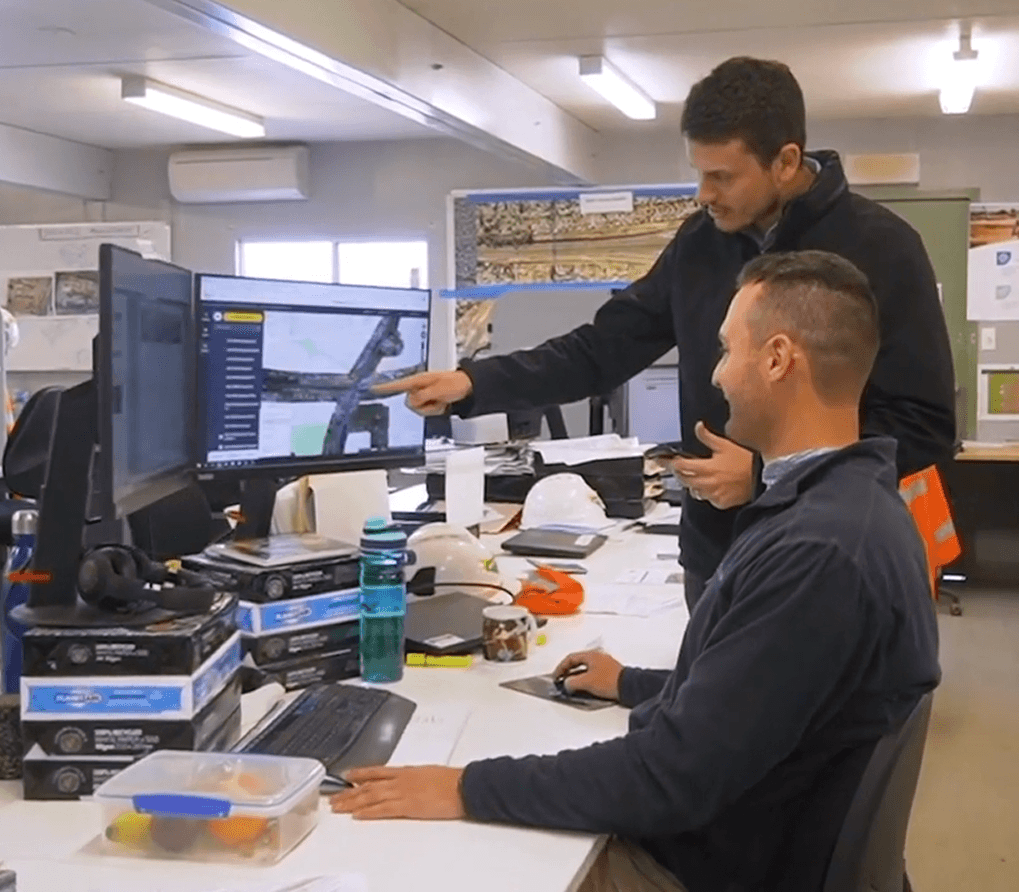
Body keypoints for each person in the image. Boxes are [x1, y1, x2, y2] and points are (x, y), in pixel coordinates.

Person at [332, 251, 942, 892]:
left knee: (428, 861)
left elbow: (668, 778)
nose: (719, 374)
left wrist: (465, 786)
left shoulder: (820, 553)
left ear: (778, 358)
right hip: (756, 835)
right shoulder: (849, 505)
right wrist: (633, 683)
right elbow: (764, 692)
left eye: (728, 349)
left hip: (711, 867)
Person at [378, 56, 956, 612]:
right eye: (698, 173)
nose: (704, 194)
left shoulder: (884, 249)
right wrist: (473, 382)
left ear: (785, 161)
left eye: (721, 176)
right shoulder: (700, 244)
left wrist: (764, 476)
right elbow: (602, 349)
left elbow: (924, 425)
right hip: (713, 549)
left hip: (826, 550)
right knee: (714, 707)